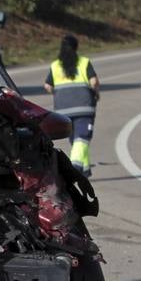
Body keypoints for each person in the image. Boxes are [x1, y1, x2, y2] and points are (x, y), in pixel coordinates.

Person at [42, 34, 100, 177]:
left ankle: (84, 170)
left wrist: (59, 94)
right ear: (76, 47)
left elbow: (47, 86)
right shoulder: (84, 62)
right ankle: (75, 167)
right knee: (82, 138)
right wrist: (96, 93)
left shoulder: (55, 65)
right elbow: (94, 82)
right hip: (84, 107)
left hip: (63, 109)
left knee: (76, 140)